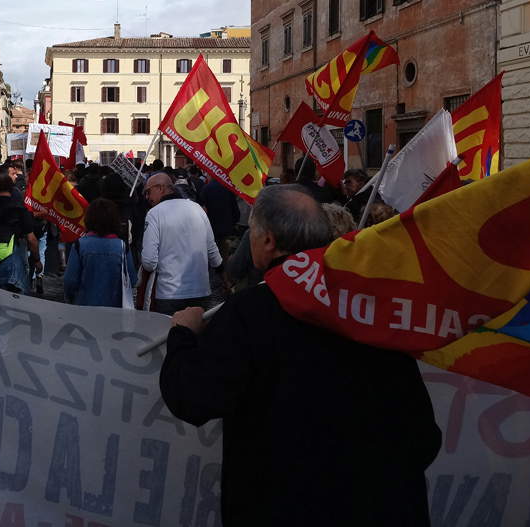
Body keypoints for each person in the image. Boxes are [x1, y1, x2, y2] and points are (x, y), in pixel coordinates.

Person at [159, 185, 441, 526]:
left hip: (283, 508)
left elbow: (192, 397)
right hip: (386, 507)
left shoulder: (249, 312)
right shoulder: (373, 305)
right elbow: (424, 435)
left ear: (266, 242)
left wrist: (183, 336)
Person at [138, 173, 222, 314]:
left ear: (161, 188)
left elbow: (148, 261)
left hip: (168, 293)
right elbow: (212, 251)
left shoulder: (154, 213)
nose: (147, 197)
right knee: (195, 334)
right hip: (200, 291)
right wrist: (222, 272)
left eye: (148, 192)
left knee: (168, 335)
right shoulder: (197, 209)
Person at [64, 198, 136, 307]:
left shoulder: (80, 245)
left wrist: (71, 299)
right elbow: (132, 280)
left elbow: (70, 281)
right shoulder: (122, 247)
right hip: (115, 311)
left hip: (84, 309)